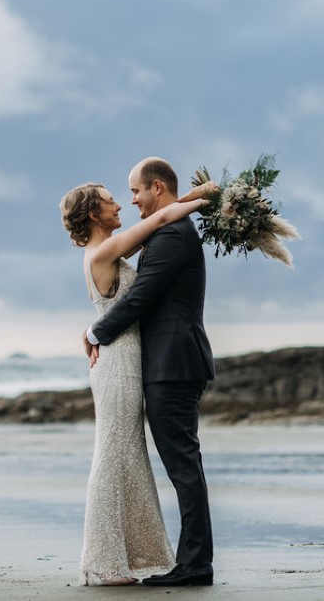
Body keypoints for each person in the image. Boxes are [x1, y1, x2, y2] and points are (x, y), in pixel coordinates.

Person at [60, 176, 214, 586]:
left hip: (132, 361)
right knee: (113, 453)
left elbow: (162, 216)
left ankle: (131, 556)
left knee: (127, 454)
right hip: (117, 365)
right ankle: (105, 562)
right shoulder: (106, 249)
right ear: (93, 214)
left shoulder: (106, 249)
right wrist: (204, 198)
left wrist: (94, 331)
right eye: (112, 202)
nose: (121, 206)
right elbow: (163, 215)